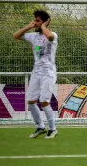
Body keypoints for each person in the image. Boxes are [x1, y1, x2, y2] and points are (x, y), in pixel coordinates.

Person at [13, 10, 59, 139]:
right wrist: (29, 26)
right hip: (36, 72)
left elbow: (49, 37)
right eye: (35, 20)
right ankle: (40, 126)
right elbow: (16, 35)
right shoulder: (33, 36)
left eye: (37, 20)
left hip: (48, 73)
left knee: (44, 101)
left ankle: (53, 129)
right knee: (31, 101)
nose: (35, 23)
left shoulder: (52, 35)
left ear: (44, 22)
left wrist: (43, 26)